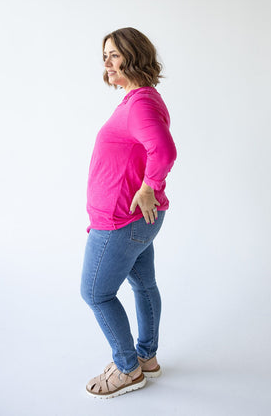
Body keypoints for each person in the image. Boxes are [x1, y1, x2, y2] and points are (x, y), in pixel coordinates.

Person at [80, 27, 177, 398]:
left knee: (95, 293)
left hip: (121, 223)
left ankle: (128, 368)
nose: (106, 62)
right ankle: (147, 359)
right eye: (104, 55)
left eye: (115, 55)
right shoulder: (140, 98)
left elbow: (164, 151)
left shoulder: (139, 103)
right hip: (134, 222)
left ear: (134, 56)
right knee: (143, 284)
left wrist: (149, 186)